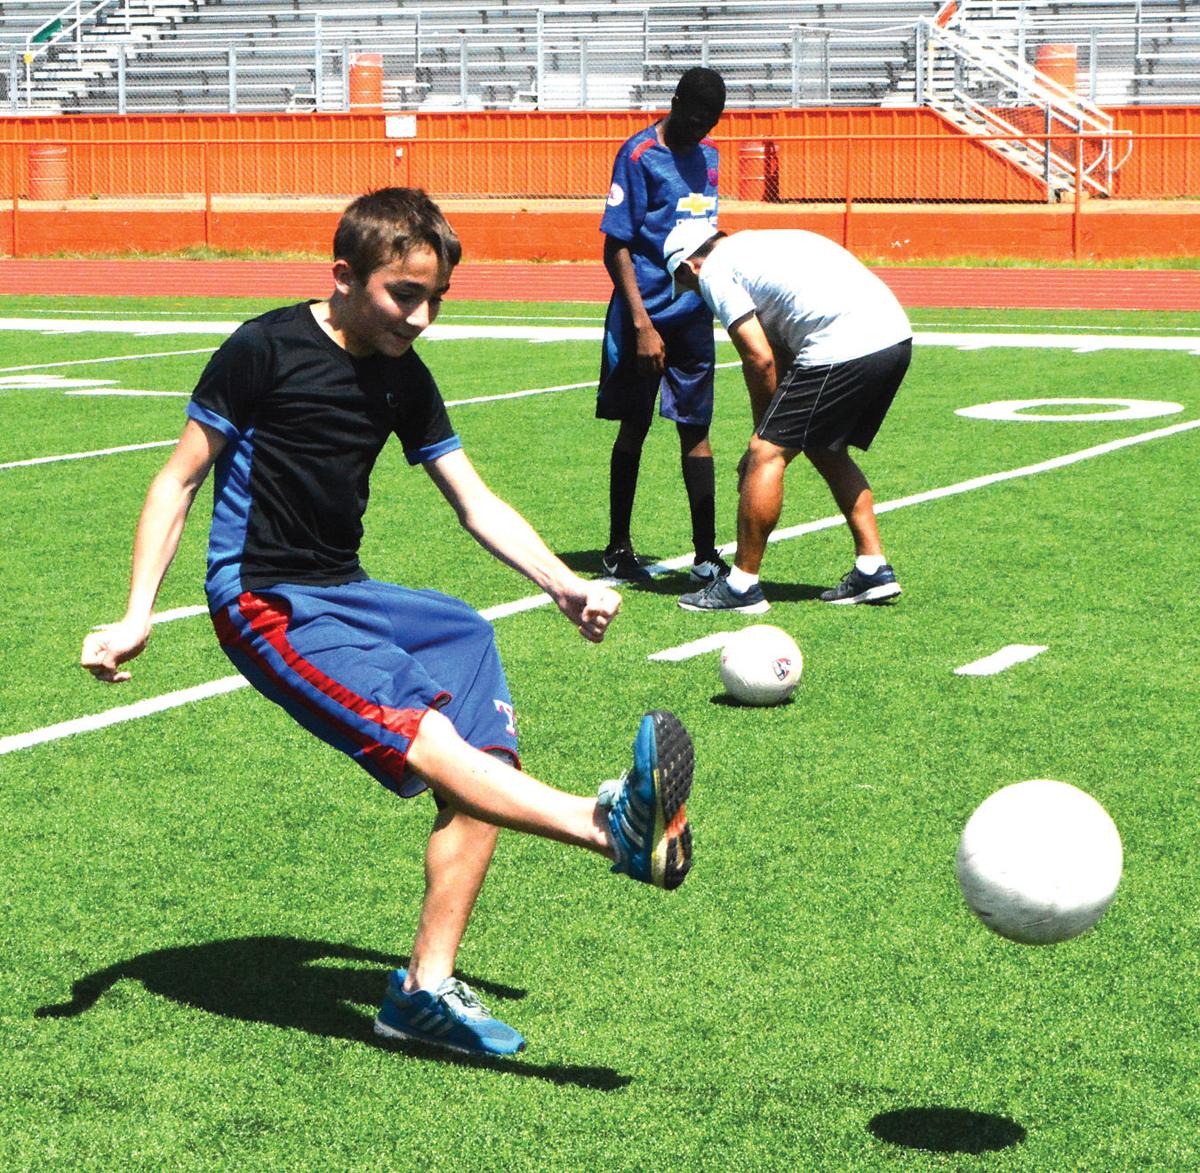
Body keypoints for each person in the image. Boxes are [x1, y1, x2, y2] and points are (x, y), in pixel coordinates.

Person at [80, 188, 695, 1059]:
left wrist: (562, 583)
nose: (422, 317)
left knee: (469, 647)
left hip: (346, 586)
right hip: (266, 598)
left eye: (436, 298)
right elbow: (178, 478)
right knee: (423, 729)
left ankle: (422, 989)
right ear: (343, 276)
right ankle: (607, 828)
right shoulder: (265, 348)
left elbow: (472, 499)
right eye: (404, 295)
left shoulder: (404, 373)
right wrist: (140, 611)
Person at [664, 222, 912, 613]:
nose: (695, 293)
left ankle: (742, 585)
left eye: (688, 284)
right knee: (824, 447)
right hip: (894, 337)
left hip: (844, 342)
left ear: (688, 267)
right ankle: (872, 567)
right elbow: (782, 350)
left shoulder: (713, 270)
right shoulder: (760, 247)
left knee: (765, 453)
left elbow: (758, 358)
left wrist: (761, 436)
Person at [596, 66, 728, 585]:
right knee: (636, 424)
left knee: (697, 430)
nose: (701, 127)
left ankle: (704, 553)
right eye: (695, 115)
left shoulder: (711, 158)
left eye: (711, 119)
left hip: (693, 316)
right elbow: (616, 245)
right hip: (644, 315)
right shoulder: (637, 156)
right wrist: (642, 323)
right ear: (674, 102)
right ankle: (617, 547)